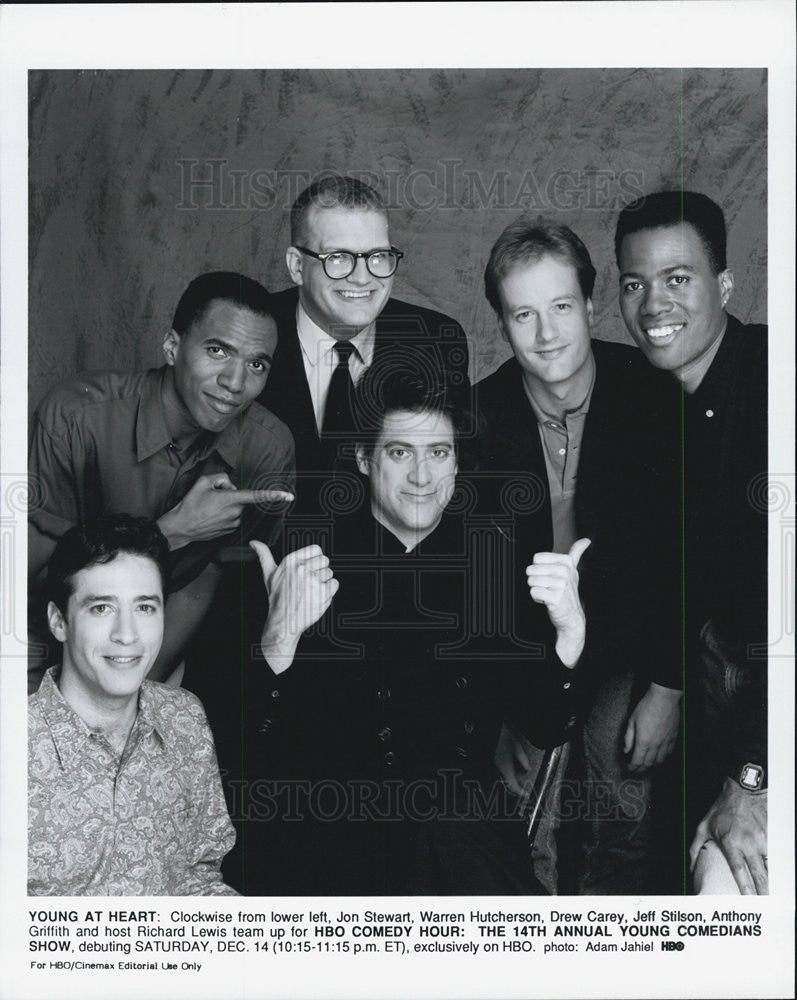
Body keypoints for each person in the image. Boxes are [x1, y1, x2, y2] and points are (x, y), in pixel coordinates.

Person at [224, 363, 587, 896]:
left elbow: (543, 722)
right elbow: (244, 751)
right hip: (326, 837)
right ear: (364, 458)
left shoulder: (492, 565)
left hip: (459, 839)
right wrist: (277, 642)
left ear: (458, 463)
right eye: (400, 452)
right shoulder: (298, 561)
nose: (422, 475)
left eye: (438, 453)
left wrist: (570, 634)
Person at [476, 217, 683, 894]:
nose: (545, 334)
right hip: (528, 649)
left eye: (560, 307)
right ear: (502, 326)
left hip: (631, 648)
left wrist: (666, 685)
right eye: (523, 315)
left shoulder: (657, 397)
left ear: (590, 306)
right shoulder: (476, 419)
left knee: (619, 815)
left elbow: (684, 558)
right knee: (515, 828)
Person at [28, 271, 295, 690]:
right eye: (218, 351)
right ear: (172, 347)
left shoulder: (268, 449)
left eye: (256, 364)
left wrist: (134, 694)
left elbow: (206, 584)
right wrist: (171, 533)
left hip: (154, 662)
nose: (236, 383)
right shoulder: (75, 419)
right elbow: (32, 581)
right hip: (38, 641)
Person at [615, 190, 768, 895]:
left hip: (772, 694)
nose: (652, 305)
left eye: (677, 279)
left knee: (723, 891)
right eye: (633, 283)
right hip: (719, 674)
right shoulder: (656, 406)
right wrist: (667, 685)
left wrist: (751, 779)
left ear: (725, 287)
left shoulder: (775, 387)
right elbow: (674, 561)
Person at [28, 515, 237, 895]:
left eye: (144, 608)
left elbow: (199, 878)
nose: (127, 635)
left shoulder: (184, 717)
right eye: (101, 608)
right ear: (59, 622)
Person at [257, 173, 470, 506]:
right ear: (297, 265)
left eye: (377, 256)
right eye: (338, 257)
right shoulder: (252, 332)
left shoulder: (434, 341)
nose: (362, 277)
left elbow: (448, 480)